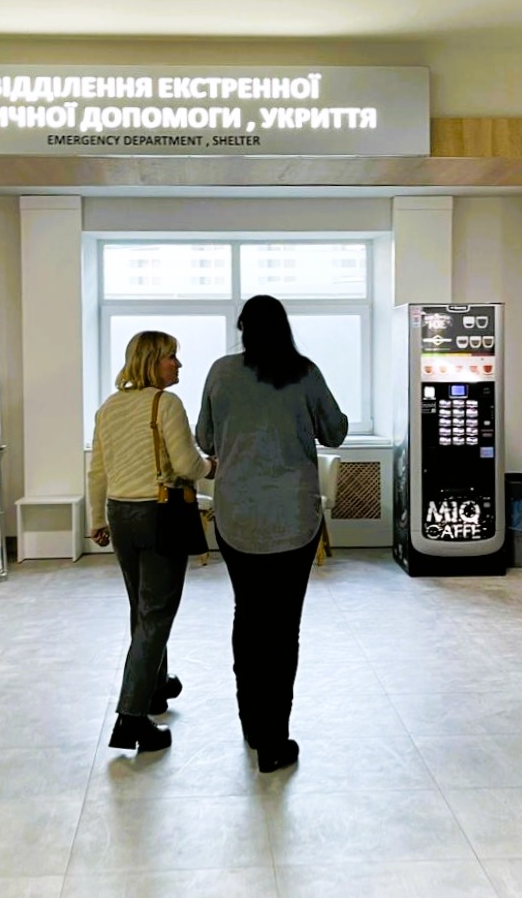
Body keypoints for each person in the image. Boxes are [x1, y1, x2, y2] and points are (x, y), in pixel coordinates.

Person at [195, 294, 348, 773]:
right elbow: (336, 432)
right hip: (294, 519)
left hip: (236, 517)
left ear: (243, 328)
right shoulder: (305, 372)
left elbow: (204, 439)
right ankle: (274, 740)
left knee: (247, 616)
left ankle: (251, 725)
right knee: (283, 628)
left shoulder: (220, 373)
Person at [88, 330, 214, 753]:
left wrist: (96, 519)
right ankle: (131, 718)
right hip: (160, 513)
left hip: (121, 514)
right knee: (157, 613)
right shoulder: (166, 403)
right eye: (170, 357)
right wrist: (211, 466)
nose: (177, 364)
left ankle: (155, 687)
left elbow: (97, 471)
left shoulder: (108, 407)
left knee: (141, 607)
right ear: (150, 362)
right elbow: (186, 465)